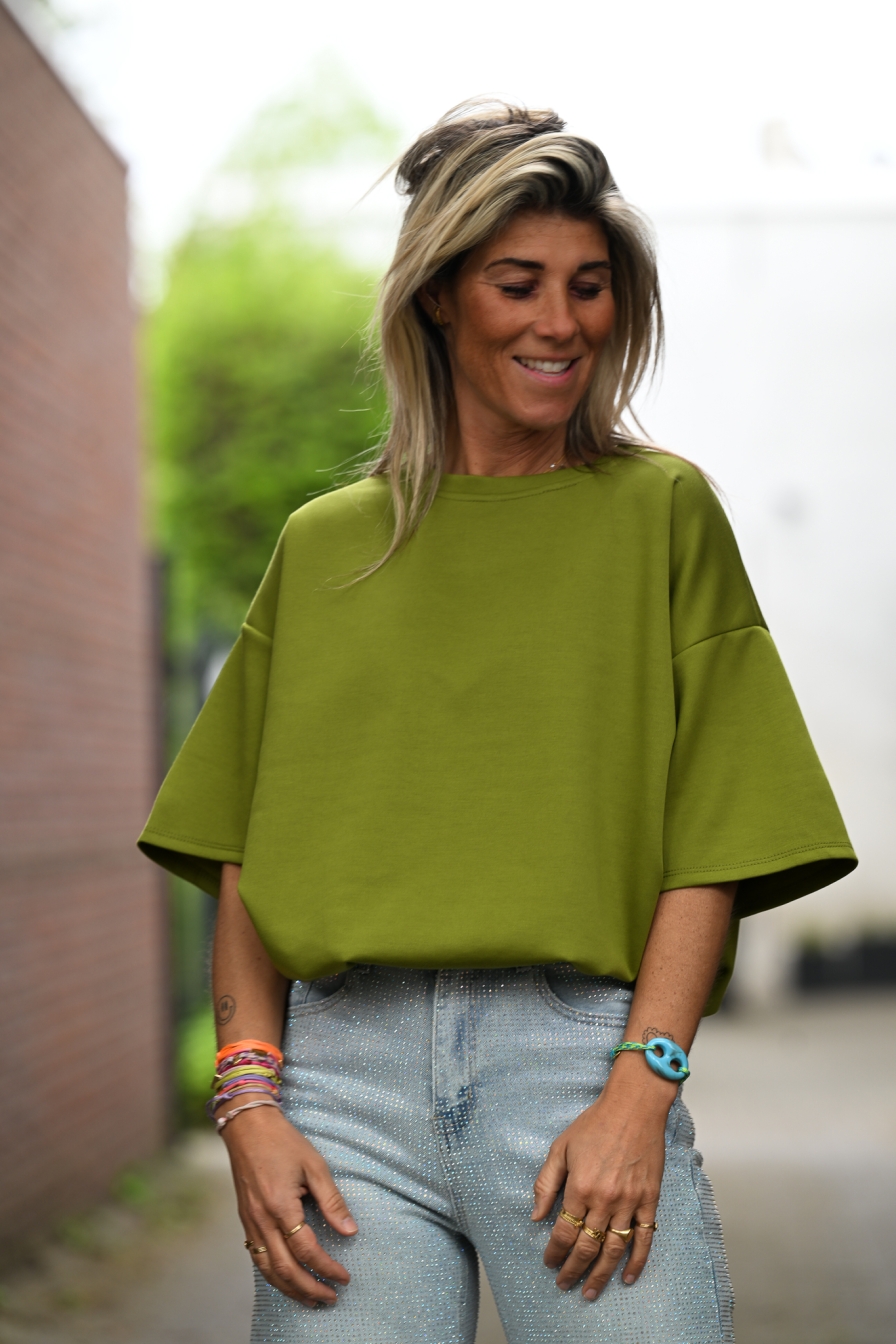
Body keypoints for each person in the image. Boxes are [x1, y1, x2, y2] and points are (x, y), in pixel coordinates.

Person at [139, 103, 856, 1344]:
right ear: (437, 296)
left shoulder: (662, 517)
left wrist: (641, 1087)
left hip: (576, 1065)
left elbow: (718, 837)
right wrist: (249, 1103)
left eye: (588, 286)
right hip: (342, 1092)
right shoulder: (324, 549)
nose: (560, 322)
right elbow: (251, 849)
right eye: (517, 284)